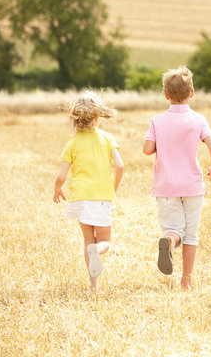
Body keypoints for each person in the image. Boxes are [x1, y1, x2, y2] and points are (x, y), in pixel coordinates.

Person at [143, 65, 211, 291]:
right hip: (193, 186)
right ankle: (186, 281)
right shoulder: (198, 119)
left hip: (166, 187)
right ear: (192, 93)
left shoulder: (157, 121)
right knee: (191, 234)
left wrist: (161, 143)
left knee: (174, 229)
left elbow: (147, 149)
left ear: (166, 94)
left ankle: (170, 240)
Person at [53, 91, 124, 293]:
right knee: (104, 242)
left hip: (80, 199)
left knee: (87, 239)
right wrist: (114, 187)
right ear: (97, 117)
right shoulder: (108, 138)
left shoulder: (72, 143)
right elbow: (120, 166)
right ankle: (97, 252)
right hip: (101, 197)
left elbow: (61, 176)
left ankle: (94, 286)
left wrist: (57, 189)